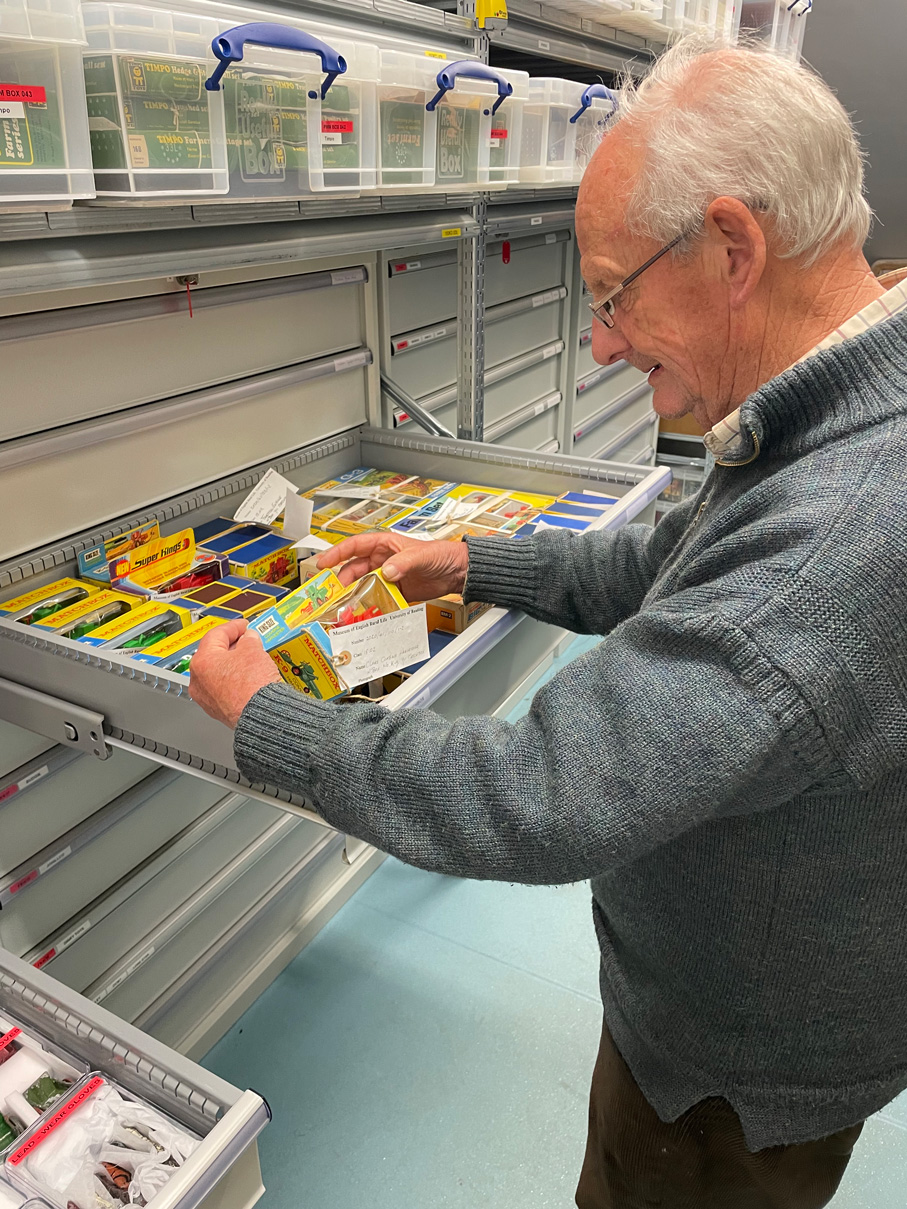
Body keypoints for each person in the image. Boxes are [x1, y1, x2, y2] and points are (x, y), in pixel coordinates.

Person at [189, 37, 907, 1209]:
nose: (603, 345)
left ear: (733, 246)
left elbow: (537, 793)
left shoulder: (833, 543)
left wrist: (267, 720)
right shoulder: (837, 407)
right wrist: (473, 558)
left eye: (614, 295)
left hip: (734, 1074)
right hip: (771, 989)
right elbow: (677, 565)